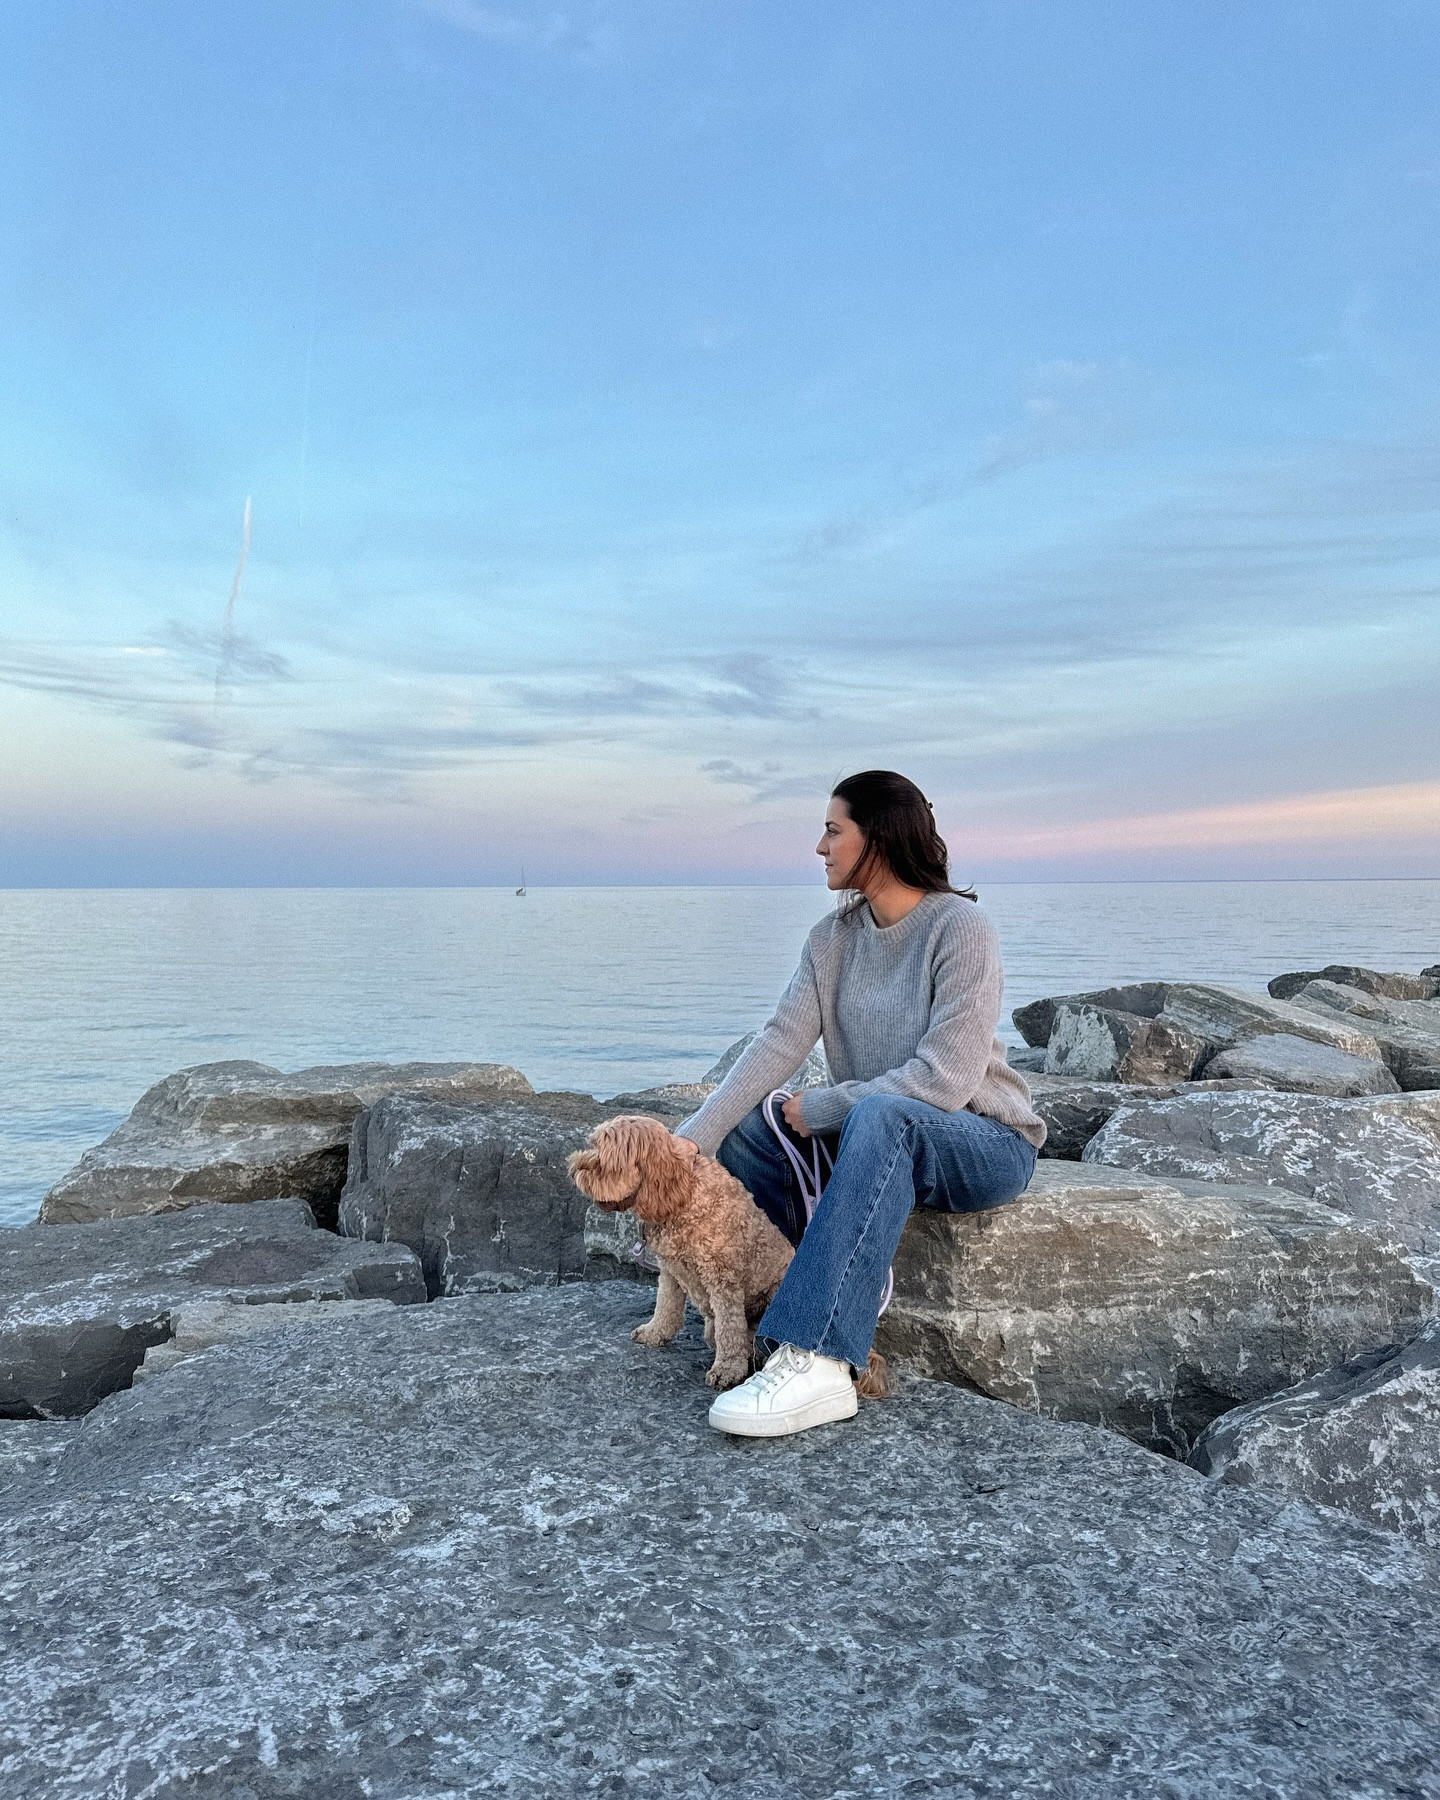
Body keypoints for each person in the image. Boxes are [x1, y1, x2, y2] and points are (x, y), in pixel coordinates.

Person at [673, 769, 1046, 1439]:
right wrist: (692, 1139)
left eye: (832, 830)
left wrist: (827, 1107)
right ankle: (768, 1314)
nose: (819, 847)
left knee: (878, 1114)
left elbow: (946, 1082)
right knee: (756, 1131)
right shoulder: (831, 940)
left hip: (982, 1141)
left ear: (878, 838)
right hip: (886, 1132)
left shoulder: (961, 928)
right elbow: (779, 1042)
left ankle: (820, 1358)